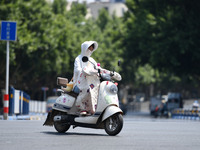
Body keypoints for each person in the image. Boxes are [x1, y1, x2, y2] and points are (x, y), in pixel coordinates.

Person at [73, 41, 102, 115]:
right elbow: (77, 70)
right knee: (87, 89)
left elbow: (98, 68)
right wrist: (85, 71)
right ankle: (81, 107)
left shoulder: (91, 60)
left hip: (92, 81)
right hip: (80, 82)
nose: (90, 50)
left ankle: (95, 108)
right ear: (84, 49)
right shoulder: (78, 59)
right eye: (89, 48)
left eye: (92, 49)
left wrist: (102, 71)